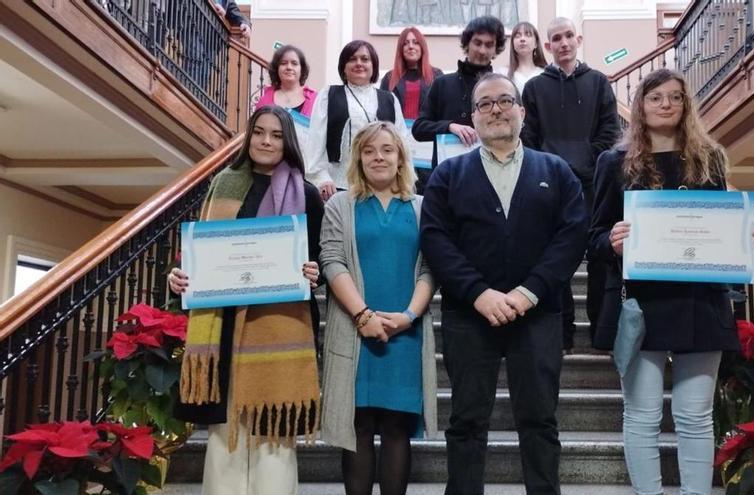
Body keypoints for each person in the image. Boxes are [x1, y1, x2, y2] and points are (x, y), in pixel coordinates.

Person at [588, 68, 754, 494]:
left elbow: (723, 230)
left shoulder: (711, 158)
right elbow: (592, 237)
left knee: (694, 417)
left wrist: (747, 245)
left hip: (699, 301)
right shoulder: (613, 162)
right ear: (640, 106)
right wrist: (611, 242)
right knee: (642, 415)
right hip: (640, 305)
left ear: (686, 106)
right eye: (656, 98)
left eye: (674, 98)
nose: (666, 105)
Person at [420, 73, 589, 495]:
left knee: (539, 421)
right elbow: (436, 240)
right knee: (466, 422)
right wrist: (479, 293)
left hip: (538, 314)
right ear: (473, 117)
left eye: (505, 100)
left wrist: (527, 292)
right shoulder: (448, 174)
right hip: (468, 315)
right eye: (485, 103)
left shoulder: (557, 171)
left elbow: (571, 238)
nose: (496, 109)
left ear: (522, 111)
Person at [168, 105, 324, 495]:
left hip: (282, 329)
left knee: (274, 436)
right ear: (249, 136)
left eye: (275, 134)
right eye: (259, 132)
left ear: (287, 140)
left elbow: (319, 258)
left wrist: (313, 271)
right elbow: (200, 256)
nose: (266, 141)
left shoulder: (305, 194)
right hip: (224, 326)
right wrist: (179, 278)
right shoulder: (222, 185)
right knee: (226, 437)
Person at [320, 121, 437, 495]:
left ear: (401, 156)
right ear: (358, 158)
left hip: (406, 333)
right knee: (358, 429)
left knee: (396, 428)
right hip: (355, 332)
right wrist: (364, 316)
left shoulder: (422, 207)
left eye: (387, 149)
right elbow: (333, 261)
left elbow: (430, 267)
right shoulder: (340, 205)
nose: (378, 157)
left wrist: (408, 317)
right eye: (369, 150)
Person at [521, 16, 621, 354]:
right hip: (551, 186)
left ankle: (598, 332)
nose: (563, 43)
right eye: (555, 39)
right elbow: (529, 137)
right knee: (557, 260)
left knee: (598, 259)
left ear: (577, 40)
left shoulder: (598, 82)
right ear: (547, 46)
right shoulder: (534, 88)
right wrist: (552, 170)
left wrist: (587, 163)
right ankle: (562, 334)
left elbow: (610, 132)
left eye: (568, 37)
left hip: (593, 184)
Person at [305, 40, 407, 201]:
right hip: (338, 187)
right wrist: (322, 178)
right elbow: (315, 142)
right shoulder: (328, 96)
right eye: (352, 59)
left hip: (383, 187)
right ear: (344, 68)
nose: (359, 63)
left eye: (365, 59)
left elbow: (402, 144)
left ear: (373, 66)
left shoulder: (390, 99)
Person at [411, 15, 505, 189]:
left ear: (496, 49)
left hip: (490, 179)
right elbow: (419, 129)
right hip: (447, 181)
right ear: (467, 44)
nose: (483, 50)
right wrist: (449, 126)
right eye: (477, 43)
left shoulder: (502, 87)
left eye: (489, 45)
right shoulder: (442, 84)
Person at [380, 27, 444, 120]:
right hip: (396, 133)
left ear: (422, 47)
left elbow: (442, 110)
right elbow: (383, 113)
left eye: (416, 42)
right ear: (401, 49)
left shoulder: (437, 76)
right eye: (405, 43)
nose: (411, 46)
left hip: (426, 132)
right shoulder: (389, 78)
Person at [256, 45, 318, 117]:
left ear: (302, 69)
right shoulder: (264, 100)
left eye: (294, 63)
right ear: (277, 69)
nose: (289, 67)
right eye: (283, 63)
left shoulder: (315, 100)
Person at [496, 21, 547, 94]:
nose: (522, 39)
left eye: (528, 35)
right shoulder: (502, 74)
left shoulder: (544, 74)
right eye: (517, 36)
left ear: (536, 43)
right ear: (513, 44)